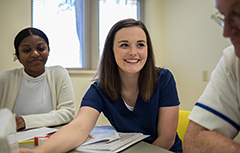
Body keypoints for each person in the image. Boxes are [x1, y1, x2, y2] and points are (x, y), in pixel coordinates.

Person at [19, 19, 182, 153]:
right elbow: (78, 128)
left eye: (140, 45)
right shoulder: (99, 89)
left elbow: (166, 140)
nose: (133, 52)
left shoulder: (163, 79)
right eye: (124, 45)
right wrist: (39, 152)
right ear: (111, 50)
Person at [184, 0, 240, 152]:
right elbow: (194, 141)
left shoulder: (163, 78)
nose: (226, 33)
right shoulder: (233, 62)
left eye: (237, 15)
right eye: (223, 16)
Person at [0, 27, 75, 130]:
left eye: (40, 48)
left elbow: (68, 112)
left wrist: (24, 121)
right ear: (18, 54)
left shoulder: (59, 74)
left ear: (48, 50)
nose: (35, 54)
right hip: (13, 141)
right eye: (27, 50)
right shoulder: (4, 79)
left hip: (51, 139)